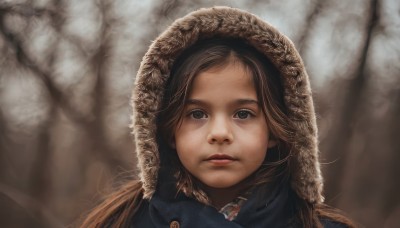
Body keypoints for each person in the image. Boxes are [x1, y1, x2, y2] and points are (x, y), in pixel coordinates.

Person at [81, 6, 356, 228]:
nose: (220, 133)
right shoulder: (119, 222)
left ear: (273, 130)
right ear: (167, 131)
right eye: (197, 114)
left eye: (243, 113)